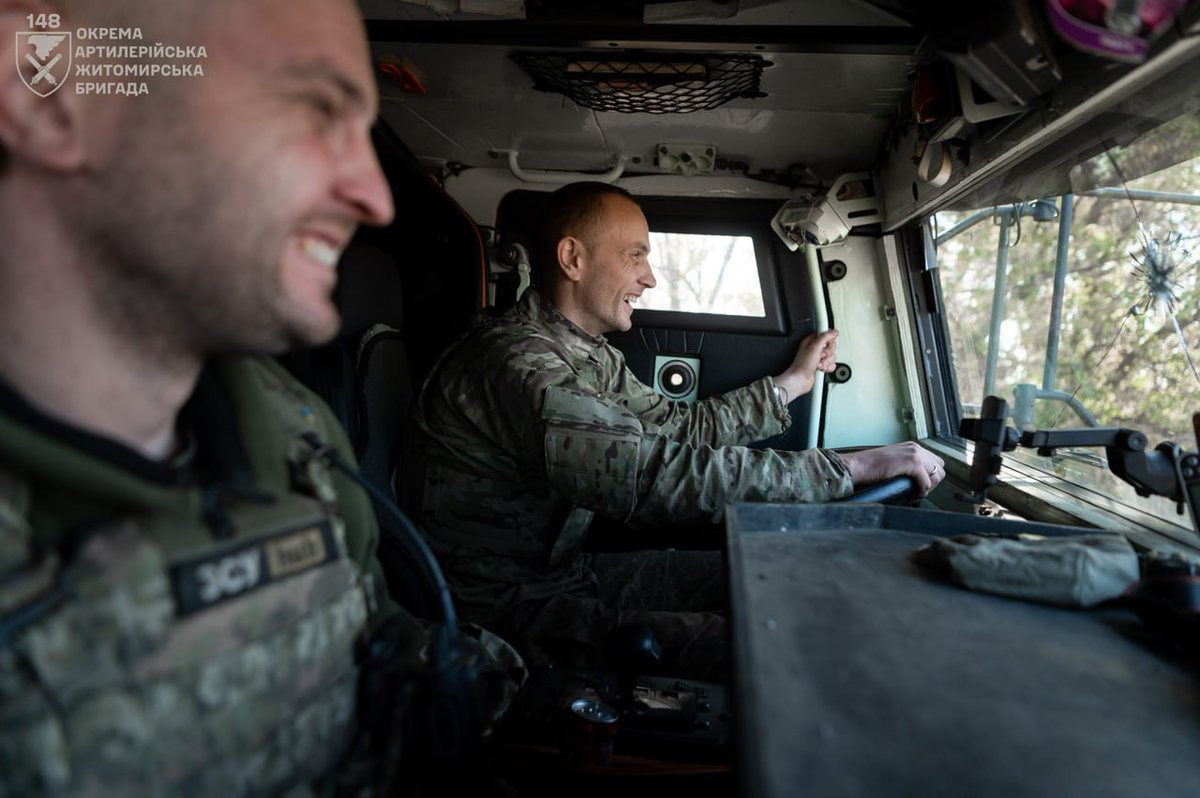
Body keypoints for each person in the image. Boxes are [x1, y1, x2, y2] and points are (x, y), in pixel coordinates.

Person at [0, 0, 514, 794]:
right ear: (46, 95)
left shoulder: (288, 427)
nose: (375, 199)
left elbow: (371, 654)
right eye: (314, 108)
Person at [407, 181, 946, 678]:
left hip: (565, 577)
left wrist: (792, 384)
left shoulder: (589, 356)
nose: (650, 277)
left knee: (772, 576)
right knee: (780, 639)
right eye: (635, 255)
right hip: (500, 608)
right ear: (572, 258)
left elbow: (682, 429)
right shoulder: (516, 363)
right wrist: (851, 469)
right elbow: (652, 476)